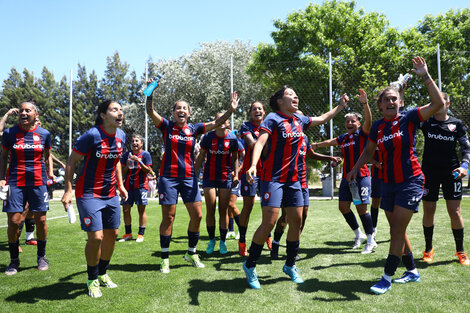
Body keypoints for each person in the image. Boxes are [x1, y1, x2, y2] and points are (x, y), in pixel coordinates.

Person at [347, 56, 445, 295]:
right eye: (386, 100)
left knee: (395, 232)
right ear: (380, 105)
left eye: (394, 99)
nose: (391, 102)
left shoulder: (410, 118)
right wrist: (354, 170)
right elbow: (368, 152)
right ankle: (412, 271)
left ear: (400, 102)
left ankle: (387, 277)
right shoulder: (378, 127)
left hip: (411, 181)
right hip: (387, 183)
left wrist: (424, 75)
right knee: (397, 230)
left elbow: (438, 103)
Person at [243, 85, 348, 289]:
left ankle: (290, 265)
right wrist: (254, 165)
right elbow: (260, 142)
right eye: (290, 94)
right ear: (280, 101)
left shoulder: (299, 120)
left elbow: (322, 118)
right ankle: (250, 265)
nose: (295, 96)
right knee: (269, 222)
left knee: (297, 221)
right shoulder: (272, 118)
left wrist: (340, 107)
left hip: (294, 180)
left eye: (295, 93)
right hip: (272, 179)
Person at [146, 84, 239, 274]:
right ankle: (164, 259)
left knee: (197, 215)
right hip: (168, 178)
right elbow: (150, 111)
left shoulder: (195, 129)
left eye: (184, 108)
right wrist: (150, 93)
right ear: (173, 113)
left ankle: (191, 253)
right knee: (169, 218)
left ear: (189, 113)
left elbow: (217, 123)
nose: (181, 110)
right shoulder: (166, 126)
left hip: (189, 177)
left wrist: (230, 110)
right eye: (178, 108)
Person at [61, 100, 128, 298]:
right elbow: (72, 161)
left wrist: (121, 185)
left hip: (110, 194)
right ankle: (92, 280)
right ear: (103, 115)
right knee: (96, 237)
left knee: (112, 234)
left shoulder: (122, 135)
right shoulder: (91, 135)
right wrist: (68, 190)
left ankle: (103, 273)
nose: (120, 113)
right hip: (88, 193)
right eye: (115, 109)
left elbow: (116, 162)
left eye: (121, 110)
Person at [313, 89, 376, 254]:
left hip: (360, 176)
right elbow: (331, 141)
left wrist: (365, 103)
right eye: (347, 121)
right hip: (347, 179)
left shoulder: (362, 134)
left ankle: (371, 240)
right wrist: (316, 145)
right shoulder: (344, 138)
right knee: (343, 207)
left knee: (362, 209)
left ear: (358, 123)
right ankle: (359, 234)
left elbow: (369, 120)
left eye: (353, 121)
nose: (349, 123)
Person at [271, 130, 342, 260]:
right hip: (288, 181)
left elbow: (311, 154)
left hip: (302, 181)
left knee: (303, 216)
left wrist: (329, 158)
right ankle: (275, 244)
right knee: (287, 216)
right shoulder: (285, 135)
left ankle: (292, 248)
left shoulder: (304, 137)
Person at [0, 99, 53, 275]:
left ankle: (42, 257)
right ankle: (14, 261)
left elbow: (47, 156)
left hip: (38, 182)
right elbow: (3, 156)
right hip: (15, 182)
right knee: (14, 221)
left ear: (35, 115)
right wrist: (1, 178)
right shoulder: (10, 133)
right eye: (21, 110)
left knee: (41, 220)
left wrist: (48, 174)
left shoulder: (44, 134)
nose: (23, 113)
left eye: (28, 111)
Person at [420, 92, 470, 265]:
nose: (437, 104)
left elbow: (466, 148)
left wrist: (465, 167)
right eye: (434, 101)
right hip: (429, 172)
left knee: (454, 212)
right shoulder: (426, 121)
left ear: (448, 104)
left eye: (441, 102)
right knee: (429, 210)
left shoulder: (457, 124)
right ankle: (428, 249)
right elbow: (405, 118)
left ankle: (461, 251)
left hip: (452, 172)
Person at [194, 114, 240, 254]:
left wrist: (236, 175)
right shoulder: (208, 137)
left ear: (227, 123)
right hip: (209, 177)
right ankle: (212, 240)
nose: (221, 122)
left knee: (223, 211)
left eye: (224, 120)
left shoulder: (232, 139)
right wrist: (193, 172)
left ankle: (223, 242)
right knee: (210, 208)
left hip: (225, 177)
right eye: (219, 119)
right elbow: (201, 155)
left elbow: (235, 158)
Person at [237, 101, 267, 256]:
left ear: (264, 111)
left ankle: (267, 236)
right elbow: (252, 144)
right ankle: (242, 240)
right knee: (248, 207)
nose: (257, 111)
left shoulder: (270, 126)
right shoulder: (246, 126)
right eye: (254, 109)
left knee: (268, 207)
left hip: (268, 173)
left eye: (260, 109)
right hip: (251, 172)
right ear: (250, 113)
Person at [119, 134, 152, 243]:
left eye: (137, 141)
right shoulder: (126, 155)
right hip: (128, 186)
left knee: (141, 210)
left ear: (141, 143)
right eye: (133, 141)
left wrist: (139, 161)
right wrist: (127, 165)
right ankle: (128, 233)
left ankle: (140, 234)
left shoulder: (145, 154)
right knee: (125, 209)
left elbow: (148, 171)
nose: (134, 143)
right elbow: (122, 172)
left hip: (141, 185)